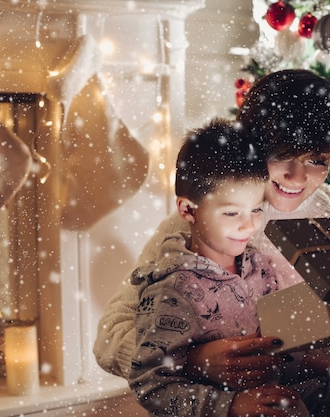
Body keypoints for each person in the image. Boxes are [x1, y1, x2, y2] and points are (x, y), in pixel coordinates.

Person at [94, 69, 330, 417]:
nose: (297, 176)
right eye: (282, 154)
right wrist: (193, 361)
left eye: (316, 159)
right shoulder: (204, 225)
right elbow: (111, 337)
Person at [130, 118, 307, 417]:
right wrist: (231, 405)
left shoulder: (262, 268)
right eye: (231, 212)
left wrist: (317, 365)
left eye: (255, 209)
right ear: (188, 210)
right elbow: (149, 384)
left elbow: (275, 351)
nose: (249, 223)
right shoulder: (174, 290)